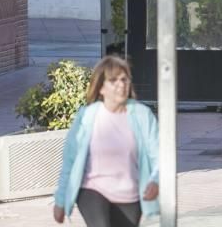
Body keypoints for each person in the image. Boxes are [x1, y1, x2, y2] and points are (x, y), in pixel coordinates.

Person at [53, 56, 159, 227]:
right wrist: (60, 200)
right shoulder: (87, 116)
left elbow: (159, 154)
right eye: (113, 80)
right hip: (92, 189)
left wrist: (156, 181)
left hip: (130, 194)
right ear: (101, 87)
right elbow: (70, 161)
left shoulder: (142, 115)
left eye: (124, 79)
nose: (121, 85)